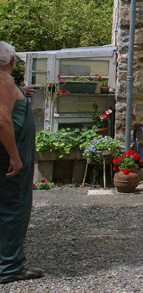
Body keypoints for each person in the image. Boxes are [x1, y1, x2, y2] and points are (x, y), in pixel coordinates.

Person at [0, 41, 42, 284]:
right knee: (14, 208)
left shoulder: (7, 84)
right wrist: (15, 157)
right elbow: (3, 121)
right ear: (12, 61)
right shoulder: (4, 80)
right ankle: (9, 267)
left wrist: (20, 95)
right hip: (8, 157)